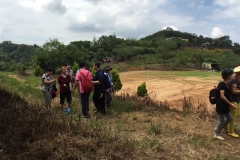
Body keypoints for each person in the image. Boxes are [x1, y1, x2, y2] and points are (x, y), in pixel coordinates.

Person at [214, 68, 236, 140]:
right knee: (221, 120)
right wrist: (230, 104)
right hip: (221, 105)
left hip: (225, 105)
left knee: (229, 118)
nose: (231, 76)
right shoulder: (222, 84)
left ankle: (218, 128)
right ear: (227, 75)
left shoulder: (226, 84)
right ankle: (217, 134)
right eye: (230, 74)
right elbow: (222, 96)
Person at [227, 66, 240, 138]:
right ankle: (230, 131)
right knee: (233, 116)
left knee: (237, 114)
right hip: (233, 100)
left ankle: (226, 126)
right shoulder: (233, 80)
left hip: (237, 99)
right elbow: (234, 91)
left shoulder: (237, 79)